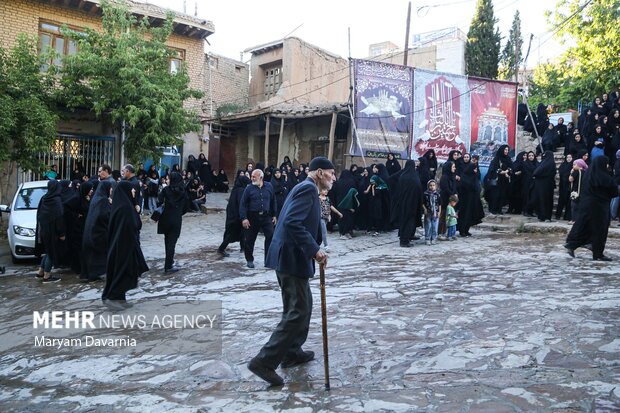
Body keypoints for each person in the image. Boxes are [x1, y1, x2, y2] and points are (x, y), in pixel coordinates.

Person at [247, 156, 335, 386]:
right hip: (290, 259)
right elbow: (292, 223)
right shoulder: (307, 189)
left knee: (301, 308)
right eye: (331, 173)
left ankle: (292, 352)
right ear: (318, 173)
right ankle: (264, 362)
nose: (333, 178)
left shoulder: (306, 188)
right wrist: (315, 250)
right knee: (298, 311)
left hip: (291, 259)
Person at [102, 181, 149, 308]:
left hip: (121, 246)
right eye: (132, 189)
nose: (134, 191)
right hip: (124, 247)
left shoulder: (120, 205)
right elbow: (135, 225)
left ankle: (120, 298)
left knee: (120, 272)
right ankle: (114, 298)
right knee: (122, 272)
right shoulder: (125, 208)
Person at [565, 156, 618, 260]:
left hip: (586, 206)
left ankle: (572, 244)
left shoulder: (588, 175)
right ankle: (597, 253)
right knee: (599, 230)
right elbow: (615, 191)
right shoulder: (605, 177)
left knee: (583, 225)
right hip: (600, 209)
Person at [239, 169, 277, 268]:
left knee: (271, 236)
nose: (252, 178)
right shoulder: (249, 188)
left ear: (260, 177)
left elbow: (273, 201)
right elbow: (243, 204)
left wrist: (274, 215)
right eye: (251, 176)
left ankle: (268, 260)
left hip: (266, 216)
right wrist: (244, 218)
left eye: (254, 177)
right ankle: (249, 259)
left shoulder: (269, 186)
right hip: (252, 217)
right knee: (250, 239)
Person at [80, 181, 112, 282]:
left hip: (90, 231)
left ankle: (89, 274)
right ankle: (93, 275)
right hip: (98, 232)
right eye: (110, 188)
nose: (111, 190)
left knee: (92, 256)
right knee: (97, 256)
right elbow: (104, 215)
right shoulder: (103, 200)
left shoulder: (96, 198)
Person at [157, 172, 189, 273]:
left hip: (166, 218)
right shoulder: (183, 192)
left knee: (167, 241)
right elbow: (186, 207)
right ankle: (168, 265)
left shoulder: (166, 189)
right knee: (172, 242)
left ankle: (169, 261)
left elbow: (159, 201)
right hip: (176, 219)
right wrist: (179, 212)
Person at [34, 180, 65, 283]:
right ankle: (47, 276)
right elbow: (59, 218)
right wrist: (61, 234)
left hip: (44, 229)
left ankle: (40, 271)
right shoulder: (56, 200)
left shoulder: (44, 198)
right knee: (51, 253)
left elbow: (39, 214)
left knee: (48, 251)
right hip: (53, 232)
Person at [390, 160, 422, 248]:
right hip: (412, 204)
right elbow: (418, 189)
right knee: (409, 222)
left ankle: (403, 238)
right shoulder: (414, 177)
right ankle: (404, 241)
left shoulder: (402, 176)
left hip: (402, 204)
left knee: (403, 221)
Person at [217, 172, 250, 257]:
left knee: (242, 231)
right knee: (232, 233)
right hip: (236, 216)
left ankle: (243, 247)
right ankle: (221, 248)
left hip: (233, 215)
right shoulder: (241, 191)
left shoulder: (236, 189)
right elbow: (241, 203)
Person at [532, 151, 557, 222]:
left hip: (542, 186)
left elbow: (536, 172)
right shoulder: (551, 163)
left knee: (542, 200)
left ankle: (543, 216)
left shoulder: (545, 163)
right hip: (548, 185)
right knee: (547, 201)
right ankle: (547, 216)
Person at [568, 159, 587, 224]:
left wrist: (571, 173)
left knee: (574, 206)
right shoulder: (585, 172)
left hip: (575, 191)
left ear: (579, 165)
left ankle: (574, 220)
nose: (573, 166)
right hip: (583, 191)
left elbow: (570, 179)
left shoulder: (576, 171)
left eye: (574, 164)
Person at [423, 180, 441, 245]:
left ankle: (434, 238)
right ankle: (427, 238)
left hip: (435, 213)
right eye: (430, 185)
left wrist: (439, 212)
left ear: (436, 186)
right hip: (428, 212)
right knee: (428, 226)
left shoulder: (437, 194)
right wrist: (424, 209)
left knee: (435, 226)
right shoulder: (425, 194)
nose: (432, 187)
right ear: (428, 186)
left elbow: (439, 204)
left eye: (433, 185)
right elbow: (423, 203)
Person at [556, 154, 573, 221]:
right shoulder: (563, 165)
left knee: (569, 202)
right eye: (567, 157)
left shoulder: (573, 165)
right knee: (561, 201)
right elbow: (561, 172)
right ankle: (558, 215)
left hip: (569, 186)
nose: (568, 158)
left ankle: (567, 216)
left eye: (570, 157)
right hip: (563, 186)